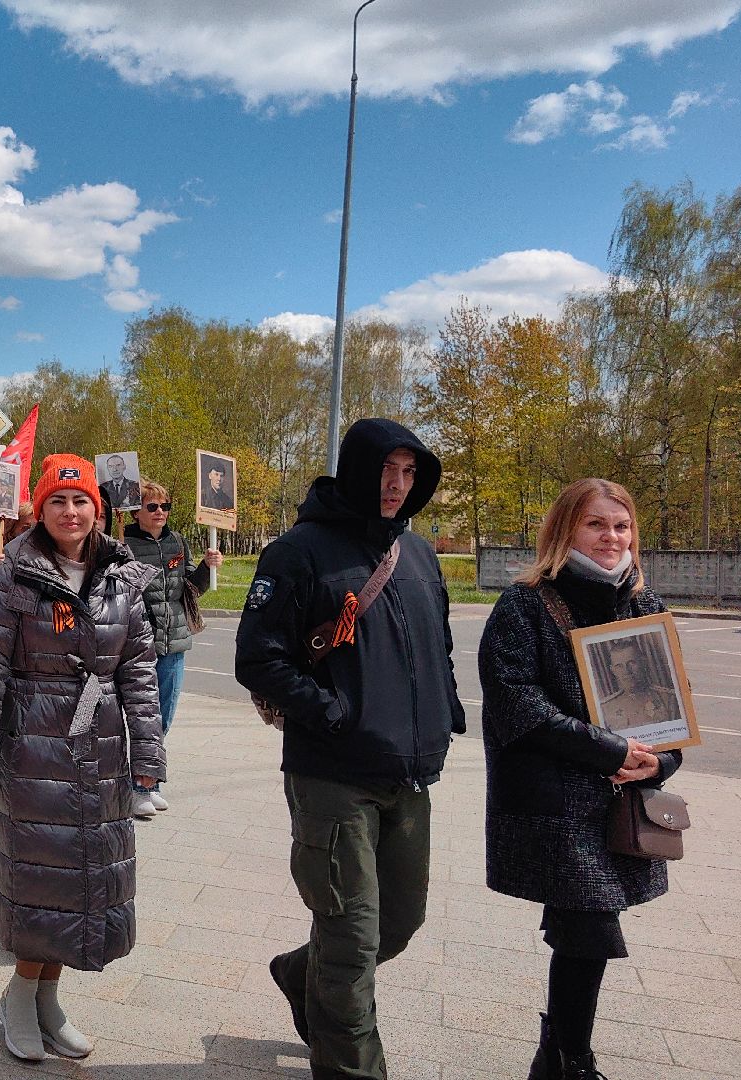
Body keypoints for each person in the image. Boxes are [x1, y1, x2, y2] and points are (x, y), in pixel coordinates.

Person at [234, 417, 463, 1080]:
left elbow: (438, 650)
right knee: (350, 947)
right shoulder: (298, 553)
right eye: (387, 470)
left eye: (410, 472)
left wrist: (443, 714)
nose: (397, 485)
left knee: (398, 924)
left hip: (410, 775)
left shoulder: (416, 554)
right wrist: (332, 714)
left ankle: (297, 973)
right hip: (333, 776)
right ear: (357, 468)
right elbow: (260, 658)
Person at [0, 454, 163, 1063]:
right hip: (32, 748)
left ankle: (48, 1001)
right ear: (39, 510)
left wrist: (148, 754)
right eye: (57, 502)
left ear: (96, 509)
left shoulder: (120, 576)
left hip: (99, 751)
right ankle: (19, 997)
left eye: (81, 502)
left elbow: (140, 673)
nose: (70, 513)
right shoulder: (13, 577)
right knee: (38, 878)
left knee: (80, 884)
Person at [478, 478, 683, 1080]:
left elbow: (671, 717)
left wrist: (659, 761)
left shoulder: (645, 607)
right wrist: (607, 750)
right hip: (552, 806)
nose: (611, 537)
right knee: (590, 927)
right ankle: (574, 1061)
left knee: (581, 931)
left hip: (619, 804)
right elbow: (517, 703)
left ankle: (555, 1058)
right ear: (566, 530)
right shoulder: (524, 605)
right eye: (597, 525)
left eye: (621, 526)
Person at [121, 479, 222, 817]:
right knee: (141, 717)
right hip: (138, 643)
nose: (160, 512)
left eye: (165, 506)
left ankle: (151, 782)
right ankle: (137, 787)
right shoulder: (124, 542)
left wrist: (207, 568)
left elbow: (191, 589)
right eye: (153, 507)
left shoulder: (177, 541)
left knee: (163, 718)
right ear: (137, 511)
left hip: (174, 642)